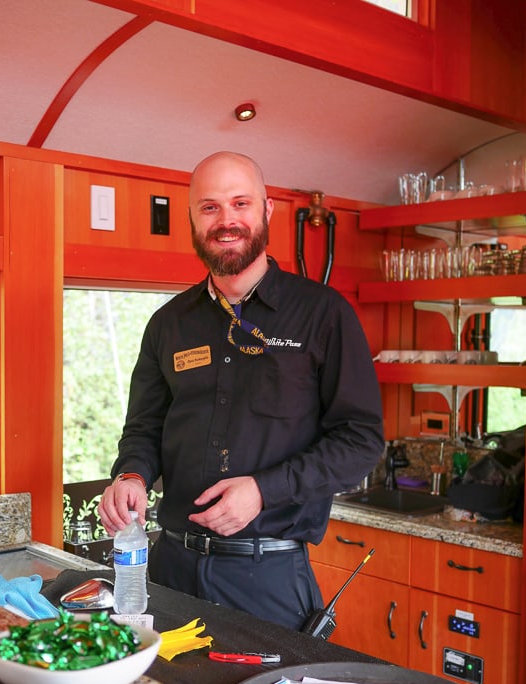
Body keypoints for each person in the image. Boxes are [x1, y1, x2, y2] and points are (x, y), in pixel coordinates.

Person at [99, 151, 384, 630]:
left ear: (267, 210)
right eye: (209, 208)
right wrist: (131, 475)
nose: (226, 221)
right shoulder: (167, 324)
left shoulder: (324, 315)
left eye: (240, 204)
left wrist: (263, 491)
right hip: (170, 569)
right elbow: (145, 428)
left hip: (268, 578)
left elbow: (361, 441)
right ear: (191, 217)